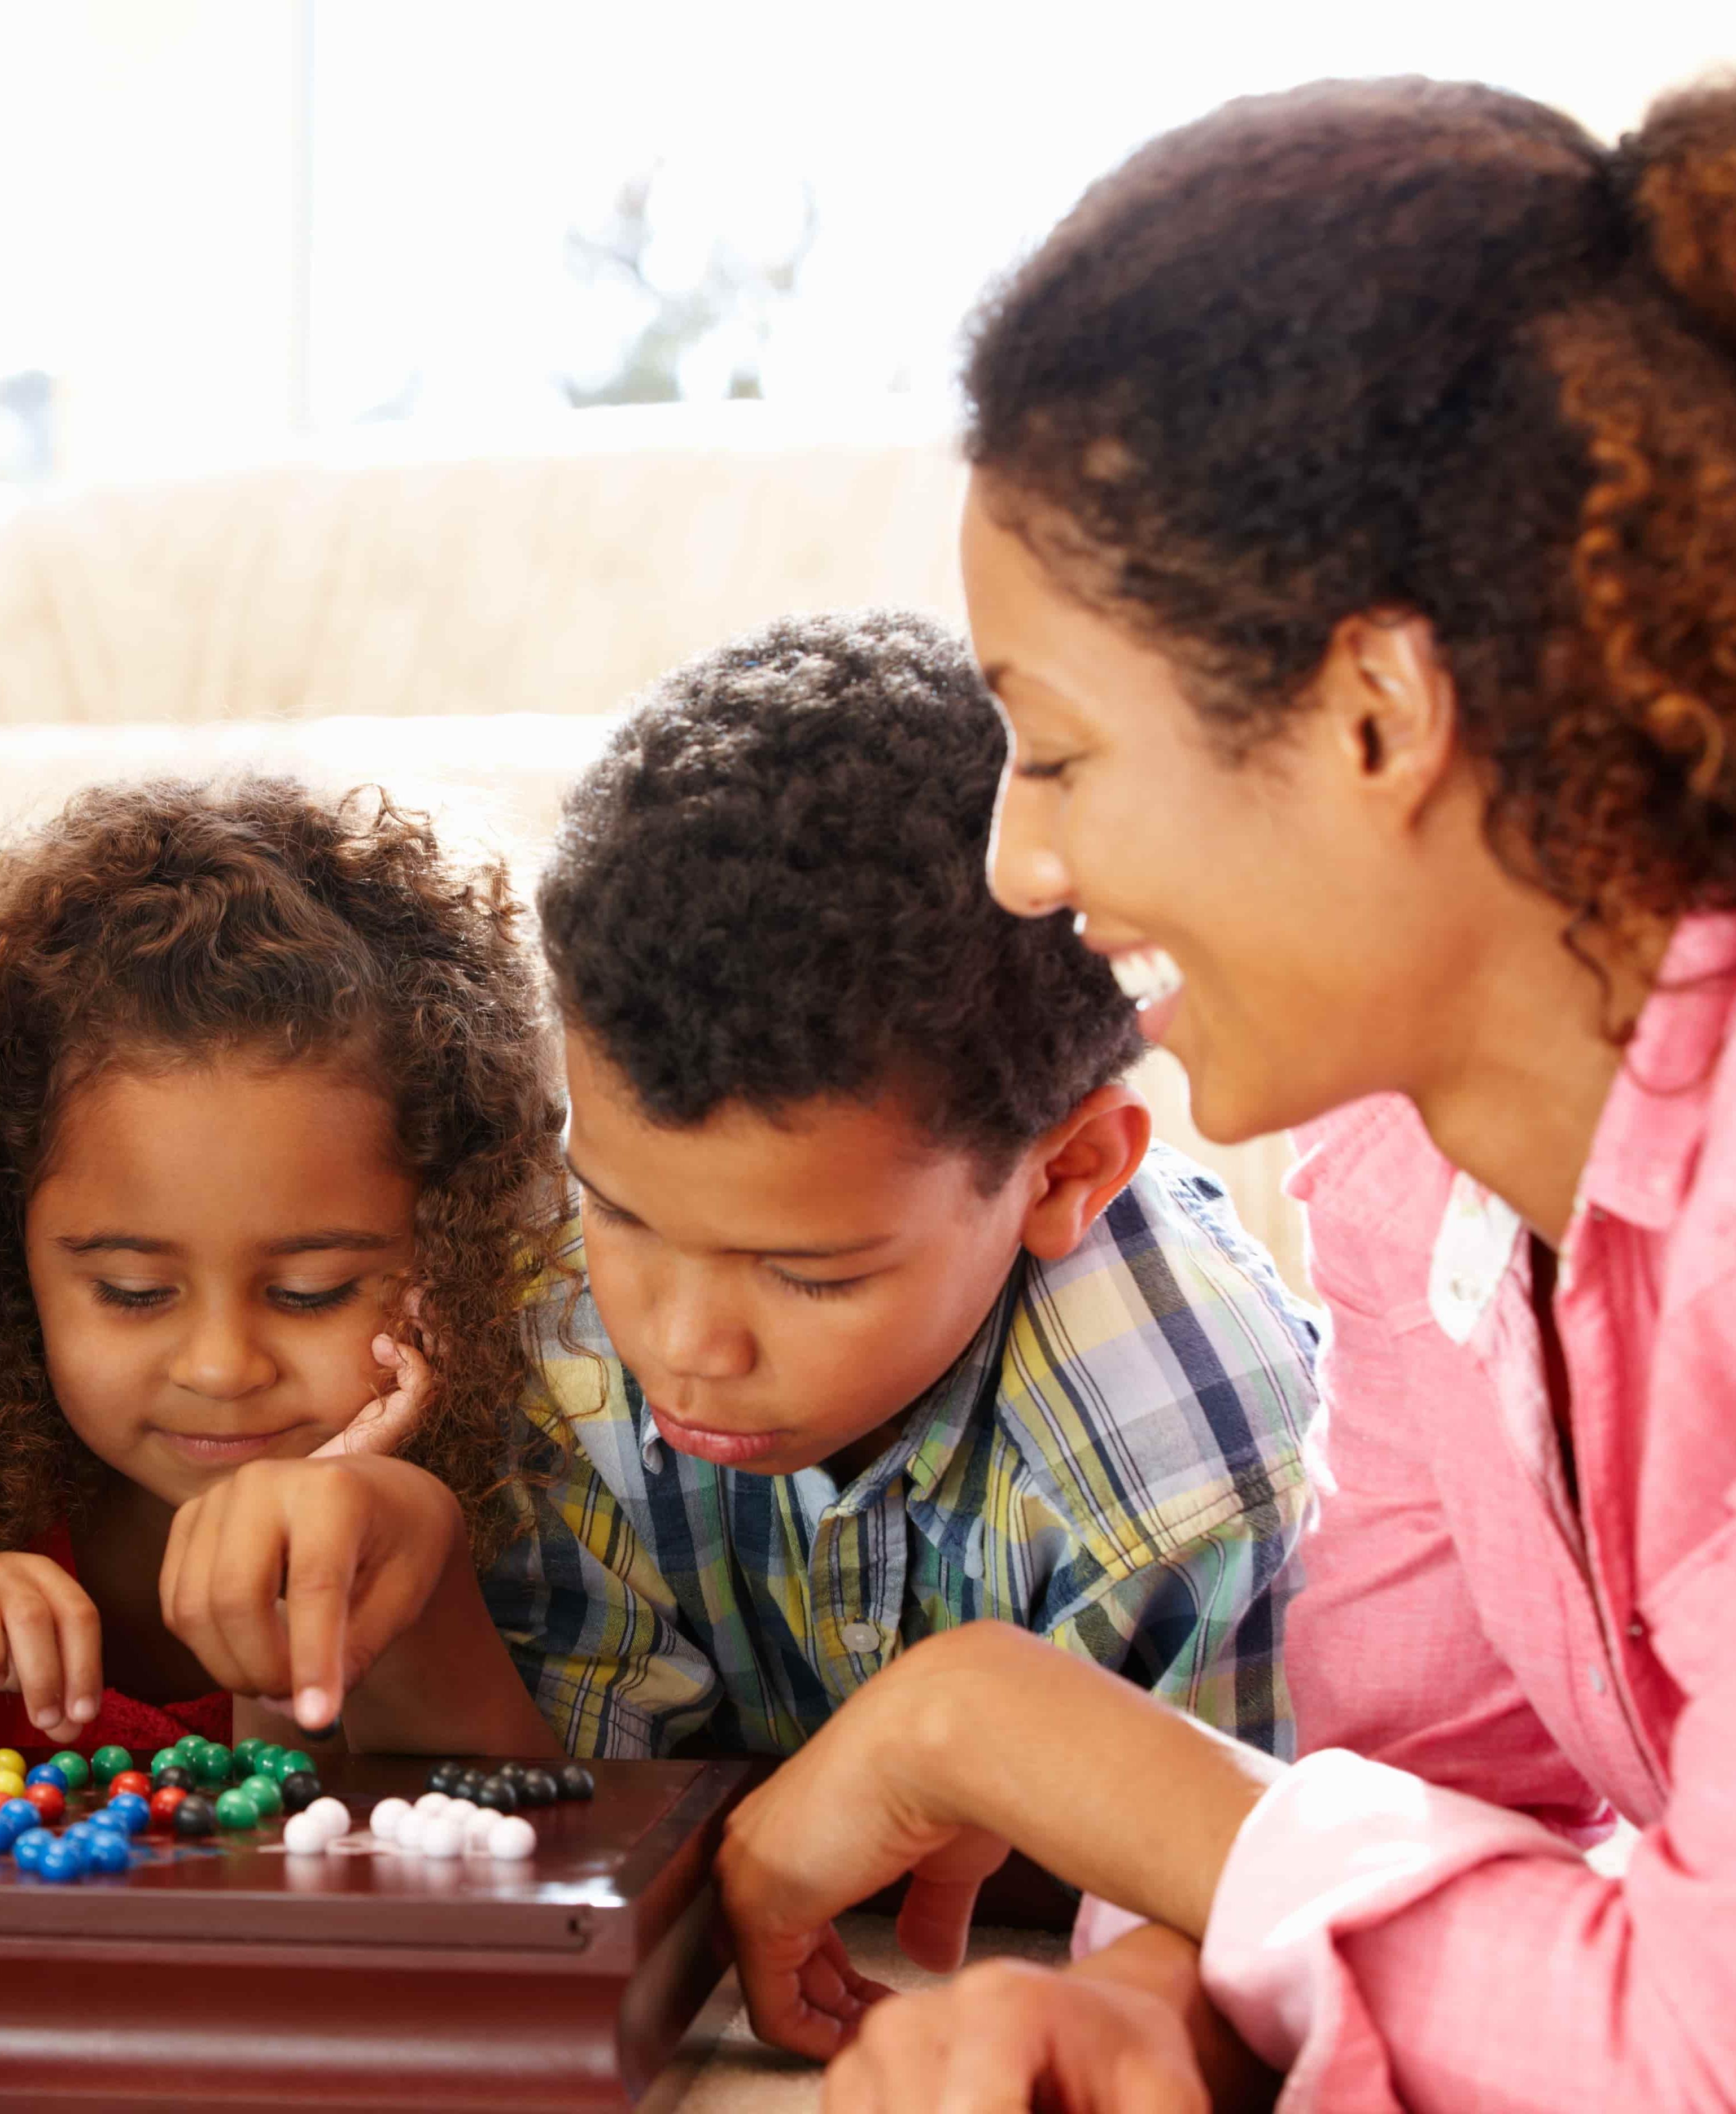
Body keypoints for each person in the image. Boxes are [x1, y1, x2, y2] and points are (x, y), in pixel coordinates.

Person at [711, 75, 1736, 2112]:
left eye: (1062, 753)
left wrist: (998, 1731)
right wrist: (1154, 2000)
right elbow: (1389, 1783)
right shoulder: (1416, 1178)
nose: (1019, 863)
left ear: (1376, 712)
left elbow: (1694, 2041)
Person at [481, 612, 1318, 1947]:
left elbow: (1227, 1907)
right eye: (620, 1214)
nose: (684, 1343)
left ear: (1064, 1178)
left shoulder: (1184, 1467)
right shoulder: (550, 1328)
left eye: (809, 1276)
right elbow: (577, 1821)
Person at [0, 779, 569, 1767]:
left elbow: (501, 1851)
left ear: (459, 1242)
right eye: (133, 1293)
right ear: (5, 1258)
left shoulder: (525, 1490)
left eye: (312, 1293)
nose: (220, 1369)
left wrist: (342, 1559)